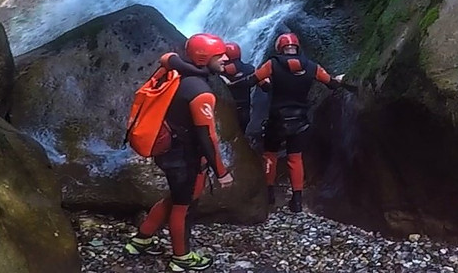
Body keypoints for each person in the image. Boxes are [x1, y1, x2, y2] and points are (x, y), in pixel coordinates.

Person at [124, 33, 235, 271]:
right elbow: (208, 137)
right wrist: (221, 171)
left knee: (175, 198)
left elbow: (168, 58)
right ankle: (181, 258)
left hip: (167, 152)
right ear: (204, 58)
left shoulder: (178, 73)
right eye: (220, 55)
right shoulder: (200, 92)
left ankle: (141, 240)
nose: (227, 58)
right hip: (184, 159)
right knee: (183, 207)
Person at [233, 32, 343, 213]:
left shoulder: (272, 64)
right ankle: (297, 201)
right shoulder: (312, 67)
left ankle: (269, 194)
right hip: (300, 120)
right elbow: (331, 84)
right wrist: (339, 80)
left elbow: (252, 81)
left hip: (277, 119)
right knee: (295, 158)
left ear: (280, 48)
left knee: (270, 155)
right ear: (297, 47)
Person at [221, 41, 256, 133]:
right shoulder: (249, 69)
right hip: (244, 109)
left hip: (225, 109)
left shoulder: (220, 71)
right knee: (240, 132)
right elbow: (265, 86)